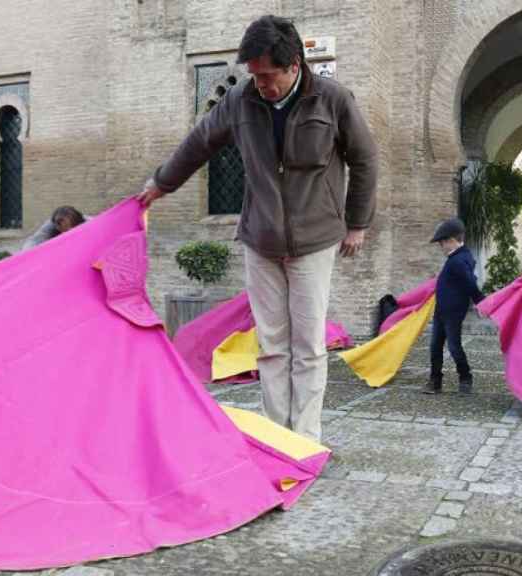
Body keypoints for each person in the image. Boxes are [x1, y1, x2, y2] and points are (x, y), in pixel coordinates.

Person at [137, 15, 378, 441]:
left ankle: (304, 440)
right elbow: (199, 143)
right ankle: (275, 435)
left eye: (267, 76)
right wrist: (161, 184)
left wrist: (357, 222)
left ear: (294, 66)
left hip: (315, 239)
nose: (260, 85)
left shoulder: (333, 99)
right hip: (260, 239)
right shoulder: (239, 101)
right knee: (271, 346)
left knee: (307, 346)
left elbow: (365, 159)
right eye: (254, 76)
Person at [423, 217, 484, 395]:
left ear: (451, 240)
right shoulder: (458, 257)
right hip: (441, 310)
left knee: (454, 346)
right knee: (435, 346)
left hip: (453, 312)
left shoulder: (458, 260)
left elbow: (470, 283)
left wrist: (481, 302)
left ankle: (465, 379)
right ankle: (435, 381)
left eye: (441, 243)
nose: (441, 247)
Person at [22, 206, 87, 250]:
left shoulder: (88, 223)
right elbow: (34, 241)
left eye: (70, 230)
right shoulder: (51, 225)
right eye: (64, 231)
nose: (68, 234)